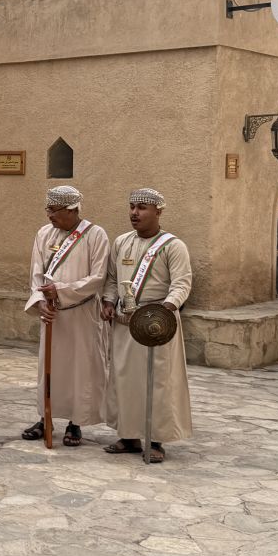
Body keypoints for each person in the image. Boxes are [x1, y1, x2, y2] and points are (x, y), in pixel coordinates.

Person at [101, 188, 192, 464]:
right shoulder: (121, 242)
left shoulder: (173, 246)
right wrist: (108, 301)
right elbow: (112, 279)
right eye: (132, 207)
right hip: (125, 322)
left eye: (141, 208)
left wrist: (165, 310)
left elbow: (182, 283)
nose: (134, 213)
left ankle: (156, 440)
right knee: (125, 379)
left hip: (157, 325)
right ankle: (128, 436)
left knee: (158, 381)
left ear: (158, 211)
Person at [23, 186, 111, 448]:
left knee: (80, 369)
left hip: (82, 314)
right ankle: (45, 417)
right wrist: (40, 301)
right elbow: (36, 273)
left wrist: (61, 291)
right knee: (49, 368)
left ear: (72, 210)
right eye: (47, 209)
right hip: (53, 315)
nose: (49, 215)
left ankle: (75, 422)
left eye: (54, 210)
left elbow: (98, 277)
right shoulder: (44, 233)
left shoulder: (95, 235)